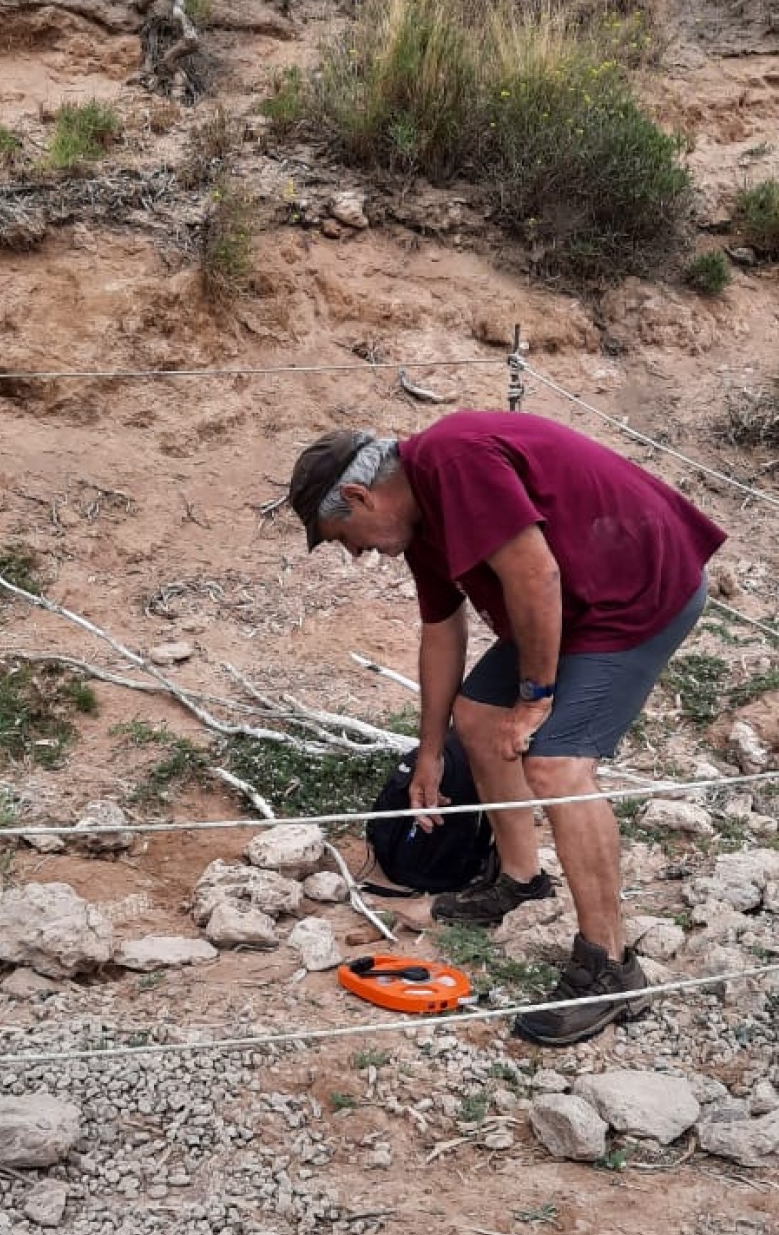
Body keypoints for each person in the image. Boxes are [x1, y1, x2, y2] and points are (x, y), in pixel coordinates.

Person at [288, 410, 726, 1046]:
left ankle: (610, 970)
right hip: (569, 602)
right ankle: (521, 879)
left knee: (556, 763)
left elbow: (535, 575)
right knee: (477, 715)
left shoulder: (453, 459)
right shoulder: (420, 516)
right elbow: (442, 631)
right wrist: (433, 753)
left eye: (346, 537)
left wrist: (537, 696)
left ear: (359, 496)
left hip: (636, 593)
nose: (359, 554)